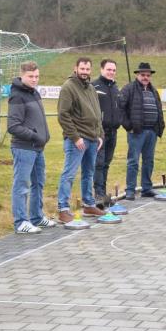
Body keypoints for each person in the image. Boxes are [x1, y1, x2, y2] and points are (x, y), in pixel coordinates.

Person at [7, 61, 57, 233]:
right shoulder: (17, 95)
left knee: (38, 183)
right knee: (21, 185)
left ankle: (37, 217)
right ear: (22, 76)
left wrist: (44, 136)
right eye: (31, 76)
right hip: (24, 148)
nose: (34, 79)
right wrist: (35, 135)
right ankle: (21, 222)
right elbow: (13, 126)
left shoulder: (34, 92)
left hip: (38, 148)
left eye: (37, 76)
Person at [56, 57, 105, 224]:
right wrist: (75, 137)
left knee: (88, 174)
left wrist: (100, 135)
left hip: (92, 139)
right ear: (75, 68)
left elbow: (97, 114)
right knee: (69, 174)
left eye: (87, 69)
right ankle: (63, 210)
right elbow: (63, 115)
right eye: (82, 69)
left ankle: (89, 205)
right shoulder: (68, 87)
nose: (85, 72)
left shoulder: (91, 88)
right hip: (77, 140)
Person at [120, 62, 165, 200]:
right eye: (143, 75)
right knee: (133, 161)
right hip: (136, 132)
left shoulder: (154, 91)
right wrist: (129, 126)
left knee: (149, 161)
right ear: (137, 75)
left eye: (148, 75)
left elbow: (159, 109)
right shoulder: (129, 89)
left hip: (152, 132)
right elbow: (120, 108)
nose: (145, 77)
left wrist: (159, 127)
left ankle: (146, 188)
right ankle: (130, 190)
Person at [92, 59, 122, 208]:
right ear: (102, 69)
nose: (111, 72)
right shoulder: (94, 86)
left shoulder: (116, 88)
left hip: (113, 132)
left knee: (106, 164)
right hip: (99, 132)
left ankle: (103, 194)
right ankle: (98, 195)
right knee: (98, 164)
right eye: (109, 69)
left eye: (113, 70)